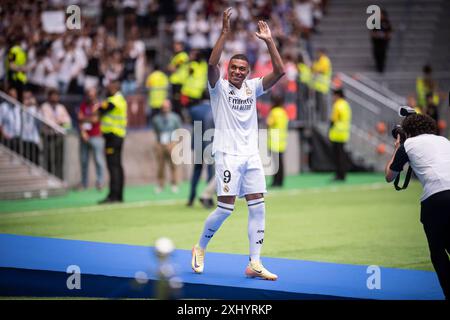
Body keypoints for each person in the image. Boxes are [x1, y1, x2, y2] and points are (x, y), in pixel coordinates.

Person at [191, 8, 285, 281]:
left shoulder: (252, 87)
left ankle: (254, 263)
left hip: (251, 155)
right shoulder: (217, 88)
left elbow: (279, 71)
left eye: (242, 69)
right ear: (228, 69)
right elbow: (211, 64)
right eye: (233, 67)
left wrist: (269, 41)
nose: (237, 71)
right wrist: (223, 32)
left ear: (247, 72)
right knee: (225, 209)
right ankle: (200, 247)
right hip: (228, 155)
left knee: (259, 206)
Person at [385, 113, 450, 300]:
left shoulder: (408, 145)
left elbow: (390, 176)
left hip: (435, 198)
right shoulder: (444, 140)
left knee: (438, 253)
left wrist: (397, 148)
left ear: (408, 132)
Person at [97, 80, 127, 204]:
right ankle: (118, 195)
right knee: (118, 166)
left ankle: (113, 195)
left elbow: (100, 110)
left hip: (113, 137)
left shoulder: (114, 100)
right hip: (118, 136)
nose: (107, 90)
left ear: (115, 88)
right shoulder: (120, 99)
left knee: (113, 166)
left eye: (110, 87)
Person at [151, 99, 183, 194]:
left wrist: (176, 143)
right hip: (160, 143)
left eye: (166, 107)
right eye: (163, 107)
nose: (165, 109)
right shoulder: (156, 119)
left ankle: (174, 184)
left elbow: (178, 130)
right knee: (160, 166)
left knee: (173, 165)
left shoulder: (175, 118)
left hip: (172, 143)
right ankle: (160, 184)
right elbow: (156, 131)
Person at [40, 89, 72, 179]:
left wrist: (56, 122)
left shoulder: (61, 107)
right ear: (49, 97)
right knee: (49, 159)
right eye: (52, 95)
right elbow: (46, 121)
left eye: (56, 95)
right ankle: (49, 179)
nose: (54, 97)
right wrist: (59, 122)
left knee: (59, 159)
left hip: (59, 136)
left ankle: (59, 179)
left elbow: (68, 122)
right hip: (48, 136)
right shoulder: (44, 106)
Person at [78, 87, 105, 190]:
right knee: (84, 161)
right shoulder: (83, 105)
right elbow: (79, 119)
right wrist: (83, 132)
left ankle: (100, 182)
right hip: (84, 136)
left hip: (96, 136)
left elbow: (95, 119)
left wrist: (84, 118)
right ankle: (84, 183)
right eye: (89, 95)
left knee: (98, 160)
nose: (90, 97)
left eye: (92, 95)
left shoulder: (98, 105)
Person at [328, 88, 352, 181]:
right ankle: (343, 174)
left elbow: (333, 119)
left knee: (338, 156)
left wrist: (329, 128)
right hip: (344, 133)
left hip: (337, 133)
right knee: (342, 155)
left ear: (337, 95)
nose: (333, 98)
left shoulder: (337, 105)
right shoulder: (346, 104)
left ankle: (339, 175)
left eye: (334, 95)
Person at [267, 94, 289, 187]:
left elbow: (269, 123)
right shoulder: (284, 112)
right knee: (281, 163)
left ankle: (276, 182)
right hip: (282, 139)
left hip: (274, 139)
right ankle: (280, 181)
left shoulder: (274, 112)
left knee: (275, 164)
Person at [311, 48, 332, 122]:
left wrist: (315, 68)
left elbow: (318, 70)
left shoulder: (325, 60)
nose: (317, 55)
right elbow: (313, 68)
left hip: (323, 87)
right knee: (318, 105)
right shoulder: (319, 60)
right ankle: (320, 120)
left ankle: (323, 121)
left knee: (323, 105)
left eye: (318, 53)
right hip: (318, 87)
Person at [21, 90, 41, 165]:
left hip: (33, 139)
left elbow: (40, 119)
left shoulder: (34, 108)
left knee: (35, 161)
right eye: (26, 97)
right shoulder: (19, 107)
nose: (28, 100)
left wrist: (36, 105)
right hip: (23, 138)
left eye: (29, 97)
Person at [0, 87, 22, 153]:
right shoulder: (3, 107)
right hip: (7, 137)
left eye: (14, 95)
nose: (13, 97)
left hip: (18, 137)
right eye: (11, 95)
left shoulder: (19, 106)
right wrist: (3, 134)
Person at [370, 9, 392, 73]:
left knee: (382, 55)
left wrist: (384, 36)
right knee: (376, 54)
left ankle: (381, 68)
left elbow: (389, 32)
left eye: (381, 14)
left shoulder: (387, 23)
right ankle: (378, 67)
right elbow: (372, 32)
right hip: (377, 43)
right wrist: (377, 35)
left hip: (383, 43)